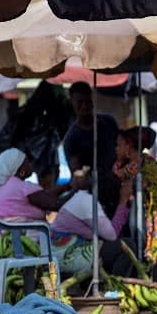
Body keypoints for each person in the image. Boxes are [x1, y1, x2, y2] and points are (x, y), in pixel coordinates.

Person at [50, 171, 130, 276]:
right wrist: (123, 202)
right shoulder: (87, 201)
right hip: (66, 257)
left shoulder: (81, 198)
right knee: (128, 245)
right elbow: (111, 235)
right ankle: (117, 286)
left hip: (61, 253)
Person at [63, 82, 121, 217]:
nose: (84, 106)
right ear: (72, 102)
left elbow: (122, 149)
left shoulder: (108, 122)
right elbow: (77, 173)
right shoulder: (72, 138)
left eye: (87, 101)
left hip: (118, 189)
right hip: (94, 196)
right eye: (79, 102)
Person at [111, 127, 157, 264]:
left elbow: (119, 176)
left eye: (118, 145)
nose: (115, 149)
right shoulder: (142, 162)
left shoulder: (136, 166)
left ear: (128, 146)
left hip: (143, 220)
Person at [0, 148, 78, 221]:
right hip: (24, 239)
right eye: (27, 162)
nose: (31, 164)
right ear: (21, 170)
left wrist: (66, 187)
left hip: (1, 236)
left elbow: (43, 195)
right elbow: (56, 205)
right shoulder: (23, 187)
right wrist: (76, 190)